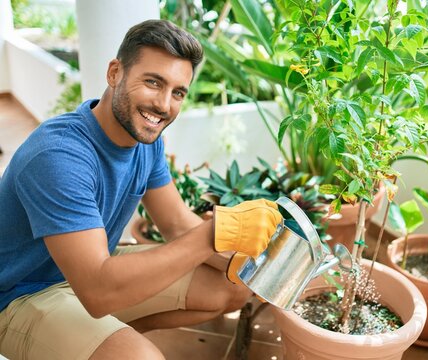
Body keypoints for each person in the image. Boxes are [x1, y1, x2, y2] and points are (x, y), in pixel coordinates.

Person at [0, 19, 282, 359]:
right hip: (20, 294)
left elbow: (177, 223)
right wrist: (216, 232)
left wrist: (261, 263)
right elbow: (98, 291)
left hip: (89, 272)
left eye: (177, 92)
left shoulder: (144, 141)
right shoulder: (58, 156)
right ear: (115, 73)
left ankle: (107, 340)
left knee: (232, 286)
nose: (164, 105)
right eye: (153, 82)